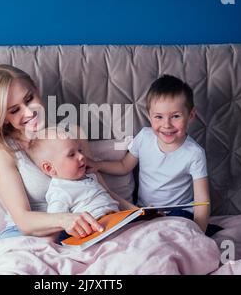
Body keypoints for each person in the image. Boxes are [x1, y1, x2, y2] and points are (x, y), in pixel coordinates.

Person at [0, 64, 134, 241]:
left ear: (36, 89)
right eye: (14, 110)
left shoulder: (72, 134)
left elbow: (99, 190)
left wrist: (138, 213)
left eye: (29, 99)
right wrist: (65, 220)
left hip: (80, 231)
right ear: (3, 118)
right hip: (25, 236)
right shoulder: (4, 152)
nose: (29, 112)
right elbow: (23, 221)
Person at [88, 75, 221, 236]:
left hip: (179, 213)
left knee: (175, 230)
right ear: (150, 116)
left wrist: (199, 233)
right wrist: (98, 165)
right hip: (146, 212)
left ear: (190, 116)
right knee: (128, 232)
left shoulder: (194, 153)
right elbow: (124, 166)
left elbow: (202, 201)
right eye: (159, 117)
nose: (167, 125)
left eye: (176, 116)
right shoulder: (144, 137)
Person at [27, 127, 120, 243]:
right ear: (50, 168)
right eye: (71, 154)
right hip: (96, 233)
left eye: (80, 150)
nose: (81, 156)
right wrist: (50, 246)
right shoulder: (60, 191)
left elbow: (109, 196)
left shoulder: (89, 175)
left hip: (118, 221)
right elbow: (54, 226)